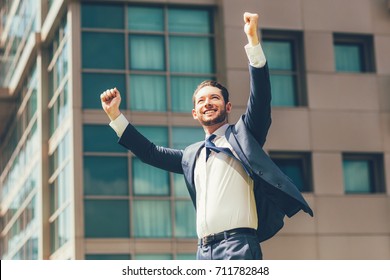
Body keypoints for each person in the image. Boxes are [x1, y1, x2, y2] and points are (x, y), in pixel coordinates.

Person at [100, 12, 313, 260]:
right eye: (201, 100)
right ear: (194, 113)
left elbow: (261, 97)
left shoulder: (245, 135)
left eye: (214, 98)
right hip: (203, 252)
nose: (208, 103)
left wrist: (253, 42)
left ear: (228, 107)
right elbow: (149, 153)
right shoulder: (191, 155)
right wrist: (115, 115)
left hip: (238, 246)